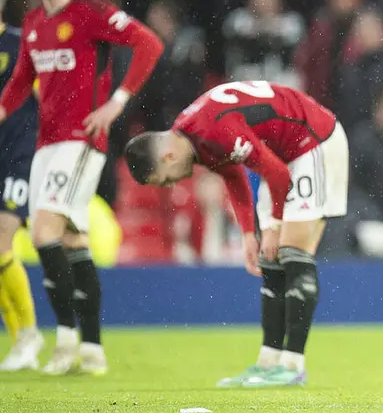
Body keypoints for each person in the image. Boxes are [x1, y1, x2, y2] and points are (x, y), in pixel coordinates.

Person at [0, 0, 164, 375]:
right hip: (45, 145)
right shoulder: (34, 22)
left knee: (43, 233)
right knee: (72, 242)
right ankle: (91, 349)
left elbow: (149, 43)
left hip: (80, 140)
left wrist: (117, 102)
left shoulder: (92, 12)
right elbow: (20, 82)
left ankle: (65, 341)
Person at [124, 80, 349, 387]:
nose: (172, 184)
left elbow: (277, 174)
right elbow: (232, 173)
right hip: (284, 155)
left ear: (168, 157)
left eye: (165, 179)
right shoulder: (191, 134)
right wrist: (248, 234)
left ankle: (293, 366)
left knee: (292, 252)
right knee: (271, 261)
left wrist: (273, 226)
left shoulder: (213, 129)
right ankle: (268, 363)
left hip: (314, 140)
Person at [0, 0, 44, 371]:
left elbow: (51, 95)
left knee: (1, 240)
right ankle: (21, 340)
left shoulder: (20, 43)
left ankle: (28, 335)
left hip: (18, 156)